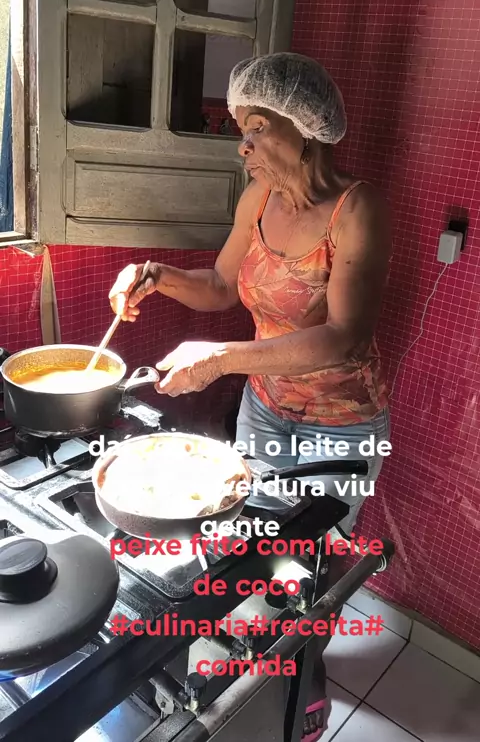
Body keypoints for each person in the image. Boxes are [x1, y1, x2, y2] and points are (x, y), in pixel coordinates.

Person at [109, 53, 392, 740]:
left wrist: (222, 358)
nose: (243, 146)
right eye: (242, 129)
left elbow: (346, 336)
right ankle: (263, 657)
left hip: (341, 423)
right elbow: (219, 285)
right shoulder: (258, 200)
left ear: (306, 127)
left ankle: (307, 672)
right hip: (264, 409)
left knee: (317, 563)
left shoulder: (357, 209)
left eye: (257, 127)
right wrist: (157, 275)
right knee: (256, 542)